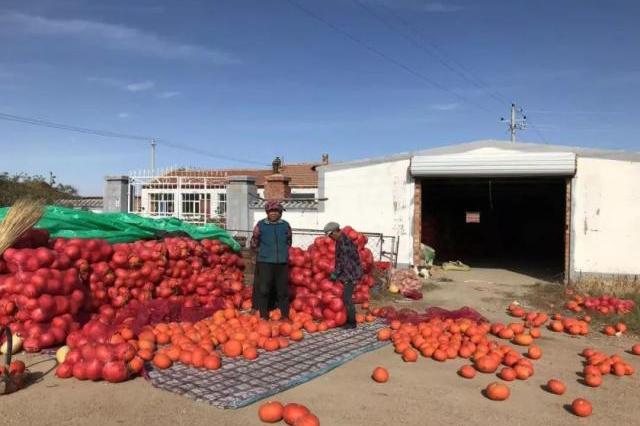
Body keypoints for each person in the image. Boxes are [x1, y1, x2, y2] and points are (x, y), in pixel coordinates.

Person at [251, 200, 292, 320]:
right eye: (271, 211)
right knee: (264, 289)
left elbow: (289, 241)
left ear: (280, 213)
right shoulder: (260, 225)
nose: (273, 213)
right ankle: (264, 315)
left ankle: (285, 315)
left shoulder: (285, 225)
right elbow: (254, 242)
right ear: (267, 212)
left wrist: (283, 253)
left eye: (276, 211)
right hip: (265, 262)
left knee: (283, 291)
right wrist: (260, 255)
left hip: (281, 263)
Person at [324, 222, 363, 329]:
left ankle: (351, 323)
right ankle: (350, 321)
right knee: (347, 298)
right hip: (349, 273)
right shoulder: (341, 240)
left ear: (335, 232)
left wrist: (335, 274)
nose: (331, 238)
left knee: (347, 299)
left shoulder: (343, 243)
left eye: (331, 235)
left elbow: (344, 262)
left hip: (350, 274)